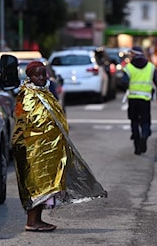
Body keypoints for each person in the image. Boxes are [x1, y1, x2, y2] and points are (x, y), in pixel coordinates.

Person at [12, 61, 107, 232]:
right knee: (37, 186)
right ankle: (32, 221)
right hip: (34, 150)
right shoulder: (28, 95)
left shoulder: (43, 92)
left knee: (44, 185)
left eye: (43, 74)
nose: (41, 78)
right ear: (29, 77)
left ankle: (37, 220)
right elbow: (32, 122)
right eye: (37, 75)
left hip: (46, 149)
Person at [123, 46, 157, 155]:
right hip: (145, 99)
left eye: (131, 54)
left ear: (135, 55)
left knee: (134, 122)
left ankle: (137, 147)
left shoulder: (129, 67)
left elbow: (123, 83)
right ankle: (144, 136)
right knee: (145, 121)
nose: (130, 56)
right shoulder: (151, 67)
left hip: (133, 99)